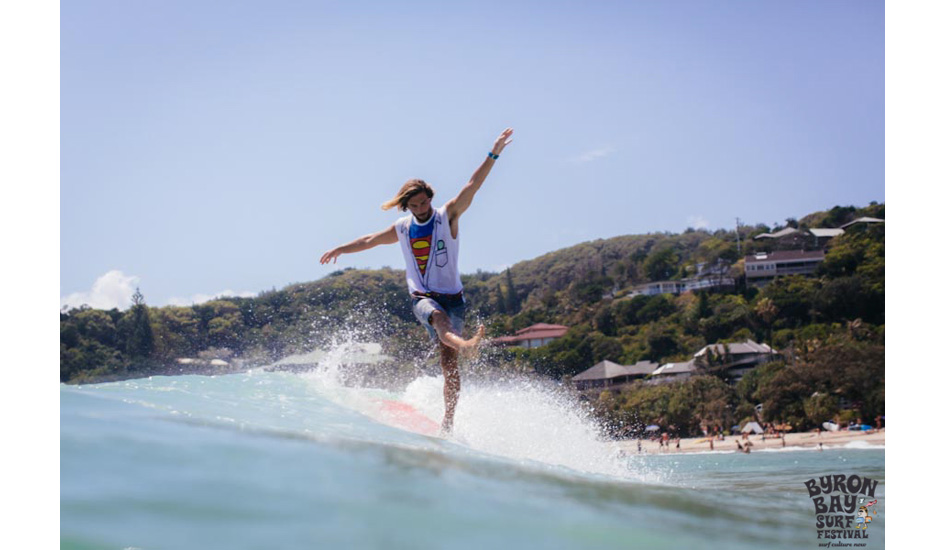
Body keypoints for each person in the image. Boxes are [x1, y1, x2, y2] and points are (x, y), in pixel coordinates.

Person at [320, 128, 515, 434]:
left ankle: (448, 422)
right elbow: (370, 240)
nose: (421, 209)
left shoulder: (447, 216)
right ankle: (467, 345)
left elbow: (472, 186)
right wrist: (340, 249)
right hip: (423, 298)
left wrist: (494, 153)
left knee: (449, 367)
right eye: (415, 205)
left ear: (430, 200)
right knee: (437, 318)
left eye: (424, 203)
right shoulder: (401, 228)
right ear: (406, 207)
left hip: (454, 298)